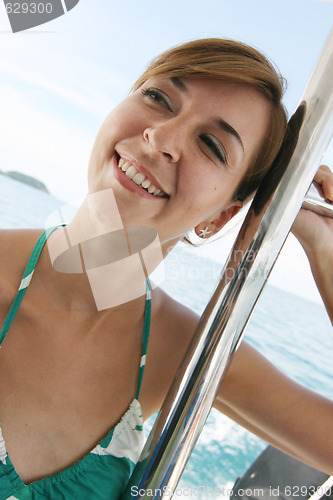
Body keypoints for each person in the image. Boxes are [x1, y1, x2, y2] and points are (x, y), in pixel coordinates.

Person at [0, 38, 332, 499]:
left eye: (212, 145)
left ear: (222, 216)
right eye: (158, 98)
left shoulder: (188, 353)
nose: (163, 139)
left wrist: (323, 249)